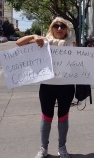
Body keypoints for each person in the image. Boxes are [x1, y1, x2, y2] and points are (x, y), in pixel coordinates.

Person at [16, 17, 76, 158]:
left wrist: (93, 57)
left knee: (63, 117)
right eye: (56, 26)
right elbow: (19, 43)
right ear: (51, 28)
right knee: (46, 117)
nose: (59, 29)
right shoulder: (43, 41)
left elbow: (80, 62)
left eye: (62, 26)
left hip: (66, 86)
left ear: (67, 29)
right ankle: (43, 148)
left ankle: (62, 147)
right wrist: (34, 36)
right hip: (47, 86)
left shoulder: (71, 44)